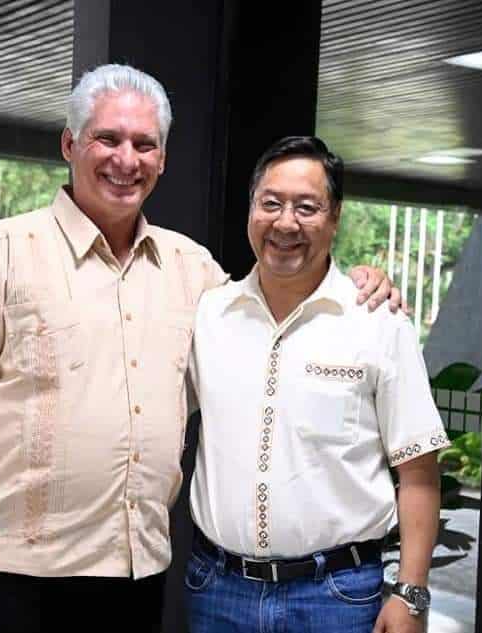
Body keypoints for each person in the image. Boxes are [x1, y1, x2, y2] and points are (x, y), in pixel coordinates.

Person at [0, 65, 399, 633]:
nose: (125, 160)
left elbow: (277, 310)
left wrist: (358, 281)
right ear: (69, 144)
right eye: (107, 139)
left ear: (162, 159)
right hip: (13, 576)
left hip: (137, 580)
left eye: (144, 144)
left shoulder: (195, 271)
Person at [186, 136, 448, 633]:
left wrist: (411, 595)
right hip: (217, 591)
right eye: (271, 203)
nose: (286, 223)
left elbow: (418, 474)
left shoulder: (378, 322)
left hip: (337, 598)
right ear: (251, 210)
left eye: (307, 207)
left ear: (335, 218)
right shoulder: (209, 314)